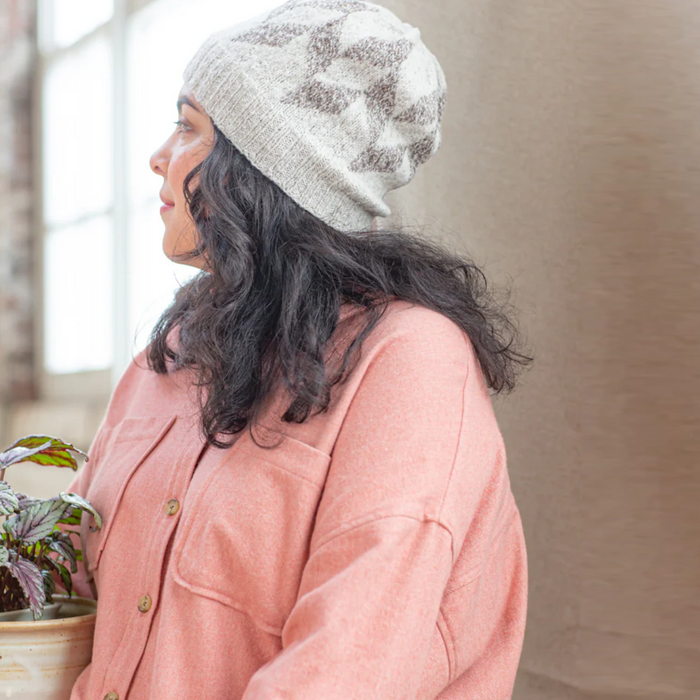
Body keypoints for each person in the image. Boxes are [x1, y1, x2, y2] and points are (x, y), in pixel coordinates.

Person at [64, 1, 533, 698]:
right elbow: (69, 579)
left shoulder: (409, 361)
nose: (158, 156)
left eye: (188, 127)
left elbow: (345, 668)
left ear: (265, 170)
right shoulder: (174, 349)